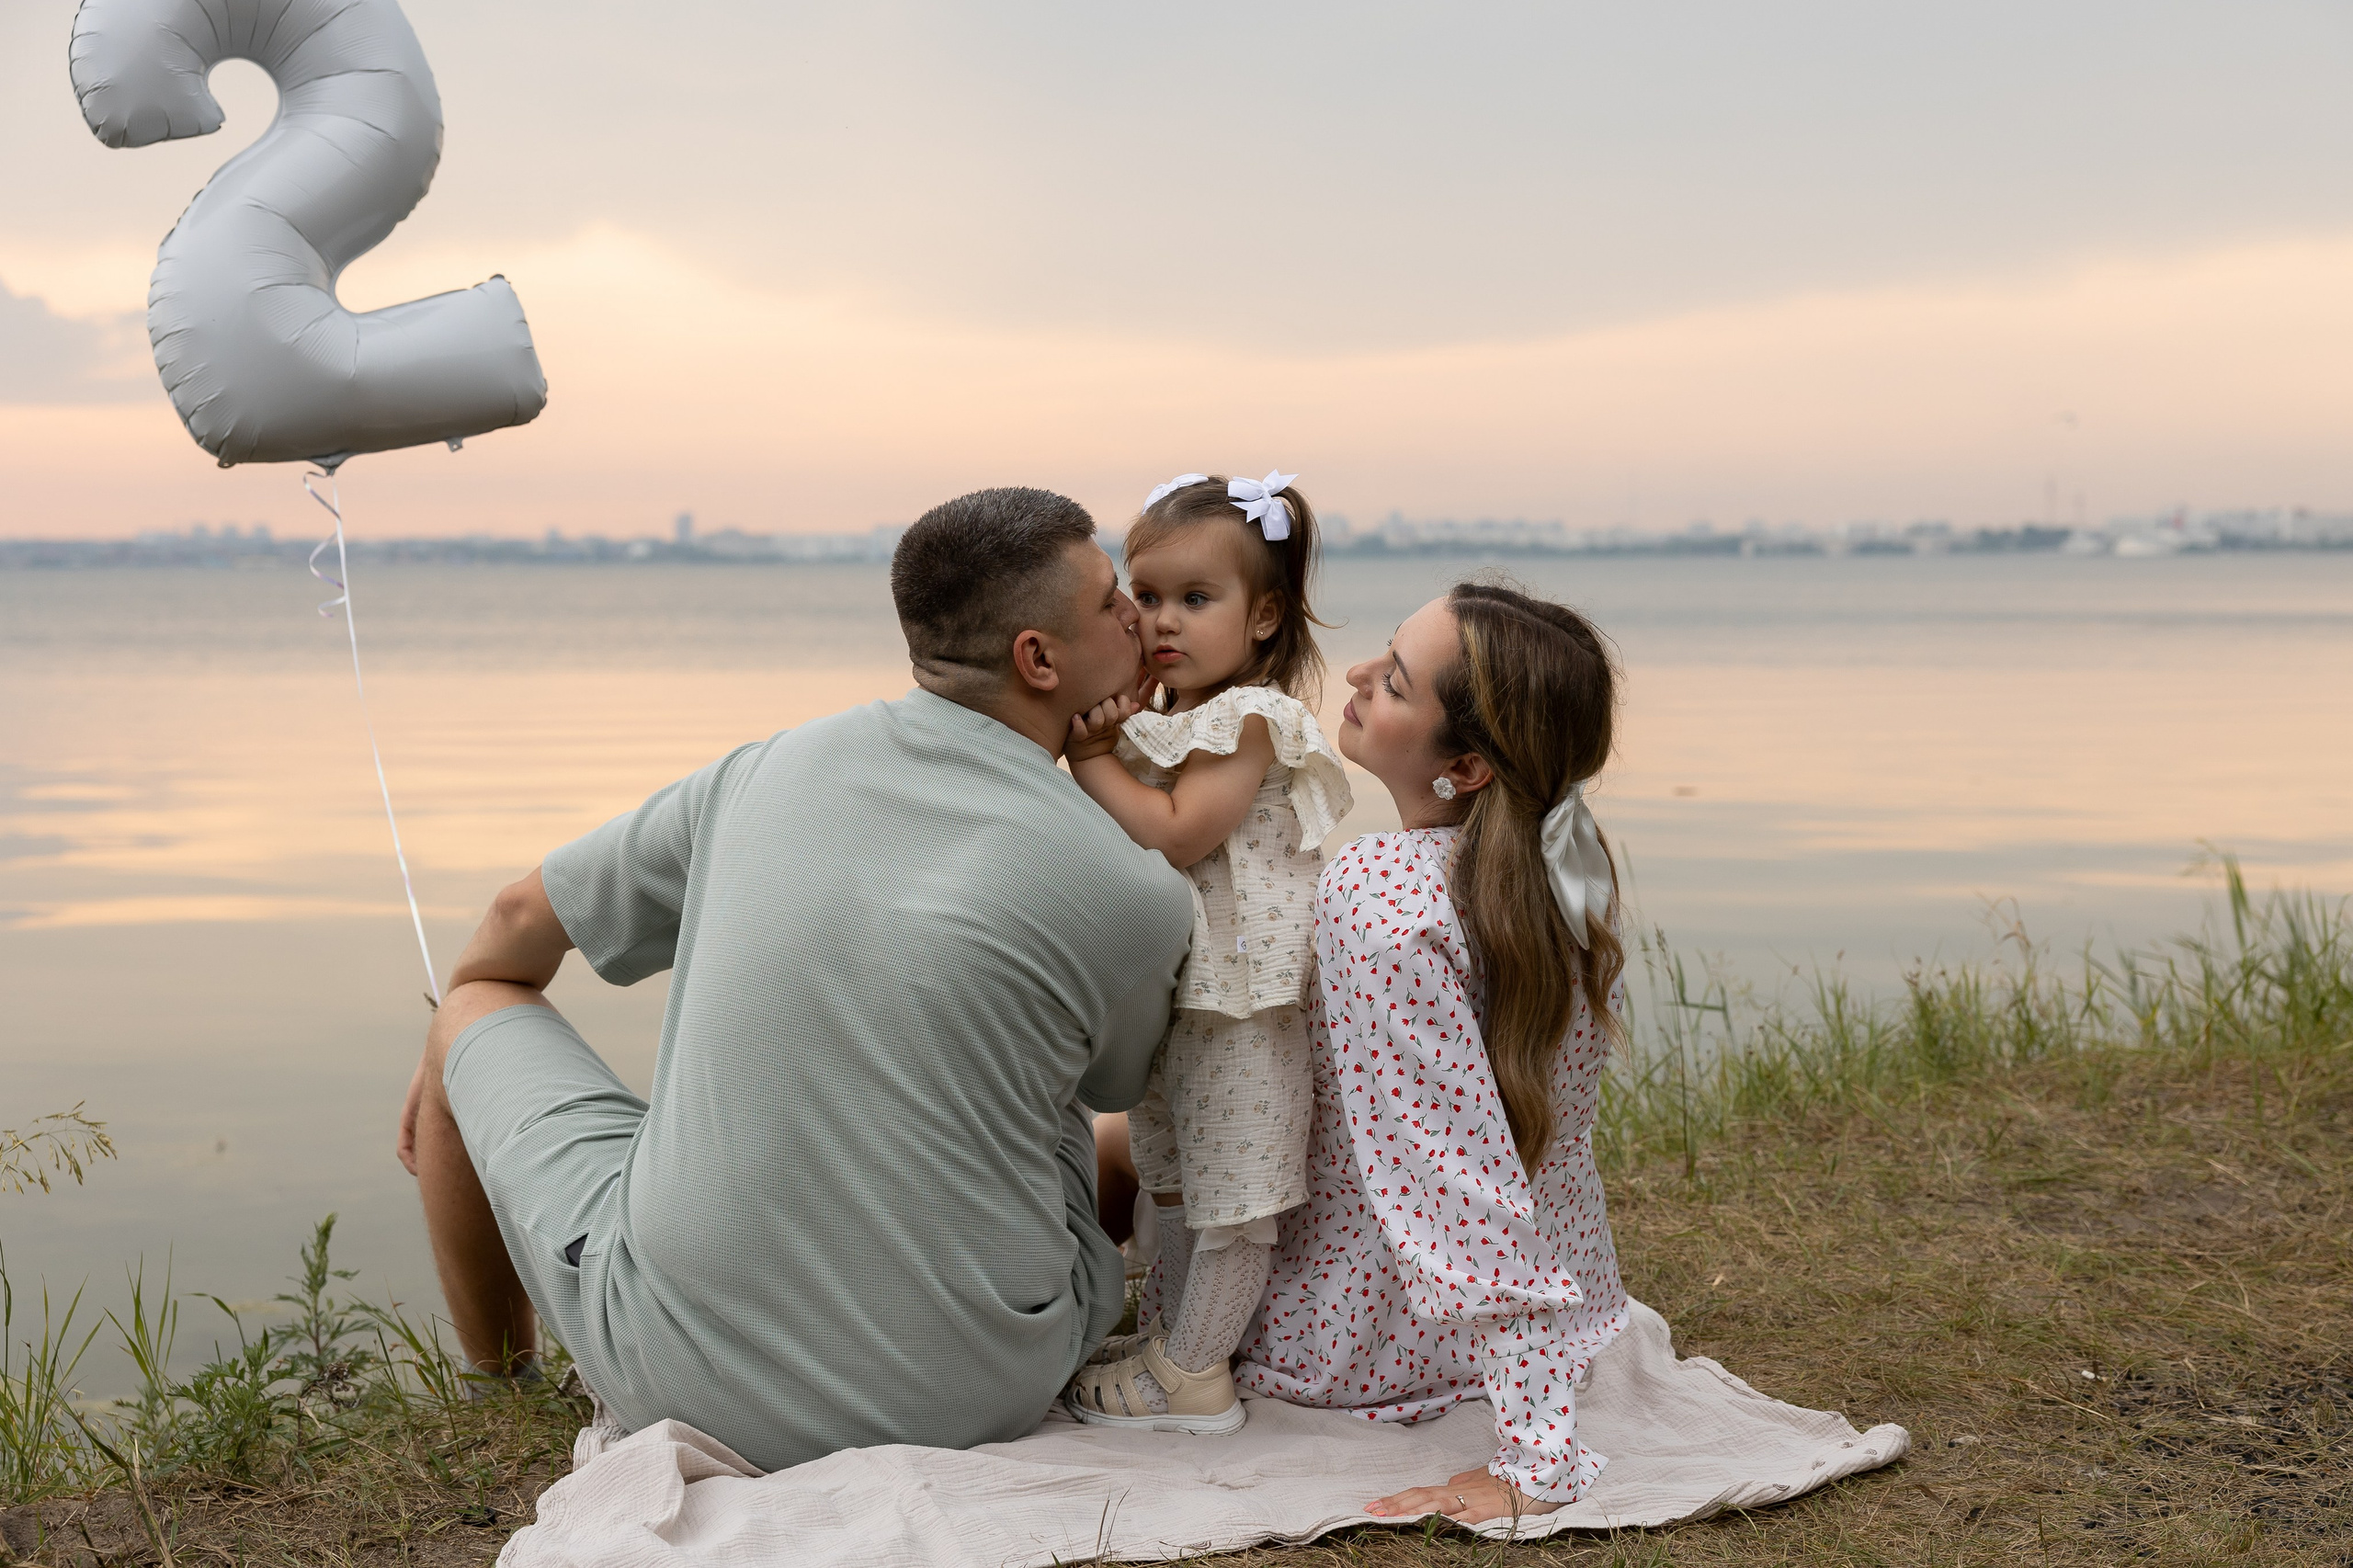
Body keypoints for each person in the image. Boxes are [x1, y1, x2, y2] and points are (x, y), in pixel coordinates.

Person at [393, 487, 1194, 1472]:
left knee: (469, 1003)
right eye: (1113, 598)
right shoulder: (1132, 883)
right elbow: (1113, 1085)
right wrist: (1103, 773)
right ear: (1039, 659)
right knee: (1057, 1091)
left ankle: (498, 1383)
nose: (1137, 616)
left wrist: (448, 1061)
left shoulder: (759, 772)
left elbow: (517, 921)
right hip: (985, 1381)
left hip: (683, 1377)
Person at [1235, 581, 1632, 1524]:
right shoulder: (1558, 864)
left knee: (1117, 1142)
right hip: (1566, 1310)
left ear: (1465, 764)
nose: (1362, 673)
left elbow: (1451, 1175)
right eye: (1382, 651)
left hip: (1366, 1336)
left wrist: (1538, 1454)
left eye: (1399, 681)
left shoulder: (1383, 895)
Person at [1056, 472, 1350, 1435]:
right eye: (1143, 596)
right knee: (1172, 1169)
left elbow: (1179, 832)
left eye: (1195, 598)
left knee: (1235, 1186)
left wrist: (1094, 758)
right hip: (1184, 991)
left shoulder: (1249, 719)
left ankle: (1198, 1372)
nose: (1162, 619)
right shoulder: (1170, 714)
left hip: (1245, 995)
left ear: (1264, 617)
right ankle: (1175, 1339)